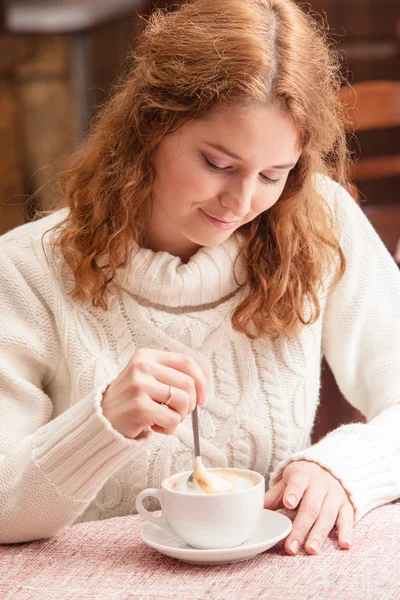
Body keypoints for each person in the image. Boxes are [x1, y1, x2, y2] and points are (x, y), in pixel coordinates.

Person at [0, 0, 399, 556]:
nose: (240, 202)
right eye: (217, 164)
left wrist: (345, 466)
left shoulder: (318, 221)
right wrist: (101, 423)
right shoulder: (25, 270)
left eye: (272, 175)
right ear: (150, 128)